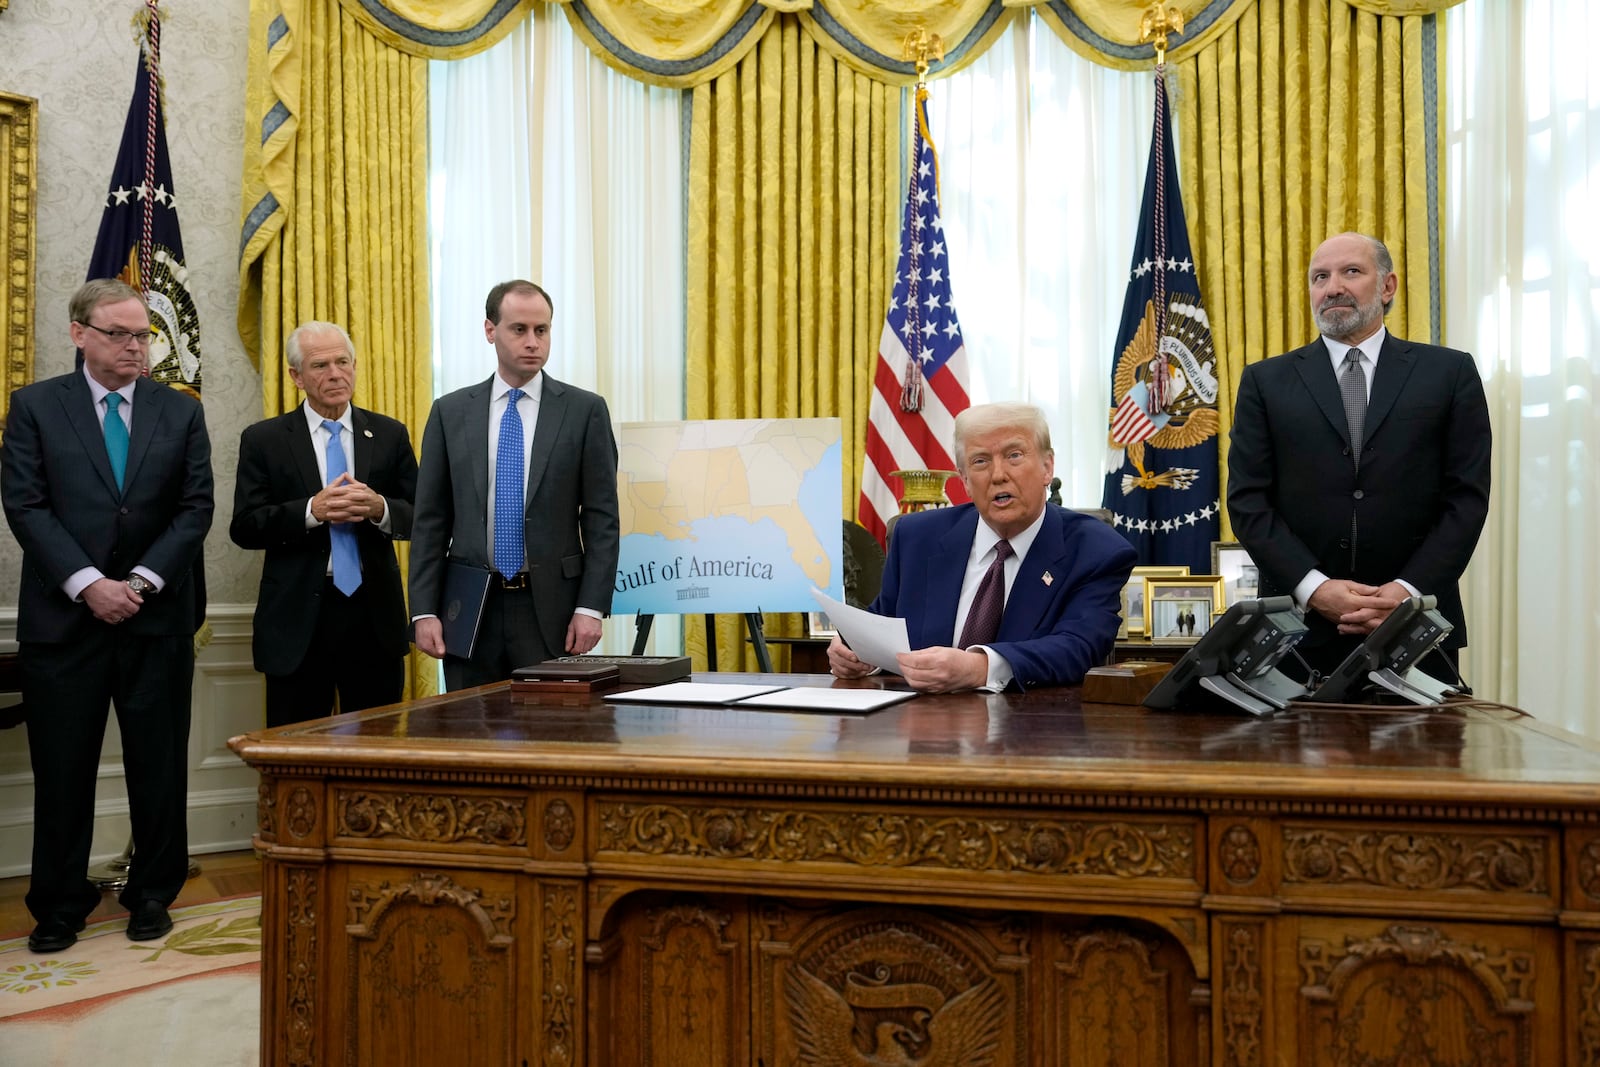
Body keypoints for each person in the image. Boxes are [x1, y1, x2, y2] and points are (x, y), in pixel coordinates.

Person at [1, 279, 213, 952]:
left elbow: (195, 507)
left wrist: (142, 581)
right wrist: (91, 584)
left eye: (143, 334)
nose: (135, 347)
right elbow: (27, 506)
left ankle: (151, 893)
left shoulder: (179, 411)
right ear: (79, 333)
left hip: (157, 619)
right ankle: (59, 906)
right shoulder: (34, 407)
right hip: (66, 624)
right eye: (119, 334)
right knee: (63, 769)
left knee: (159, 764)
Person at [1227, 232, 1491, 680]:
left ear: (1387, 287)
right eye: (1320, 277)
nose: (1332, 287)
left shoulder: (1450, 373)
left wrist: (1406, 591)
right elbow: (1248, 503)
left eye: (1351, 271)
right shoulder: (1264, 382)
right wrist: (1315, 589)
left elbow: (1466, 499)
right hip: (1297, 631)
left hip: (1416, 625)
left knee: (1423, 753)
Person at [827, 402, 1136, 692]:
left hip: (1033, 732)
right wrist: (856, 656)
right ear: (964, 479)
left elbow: (1078, 648)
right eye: (980, 461)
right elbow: (880, 626)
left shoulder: (1097, 551)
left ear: (1047, 467)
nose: (998, 475)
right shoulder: (917, 538)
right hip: (922, 732)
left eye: (1014, 455)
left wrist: (979, 667)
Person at [409, 280, 620, 690]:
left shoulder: (584, 411)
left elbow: (602, 520)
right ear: (491, 331)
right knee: (471, 738)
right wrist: (423, 611)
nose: (532, 342)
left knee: (553, 739)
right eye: (518, 329)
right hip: (469, 607)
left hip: (552, 610)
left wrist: (591, 607)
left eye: (541, 331)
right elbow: (430, 521)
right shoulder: (450, 412)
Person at [230, 322, 418, 726]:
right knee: (296, 751)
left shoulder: (388, 433)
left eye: (343, 362)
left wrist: (380, 508)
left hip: (373, 618)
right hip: (298, 622)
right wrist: (311, 511)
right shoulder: (265, 439)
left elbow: (424, 516)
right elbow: (245, 526)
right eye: (320, 365)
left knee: (376, 750)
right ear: (297, 376)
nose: (335, 374)